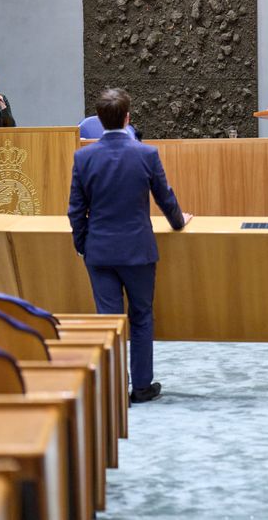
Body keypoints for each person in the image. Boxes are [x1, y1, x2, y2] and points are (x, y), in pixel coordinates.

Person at [67, 87, 192, 404]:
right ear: (127, 118)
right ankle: (142, 386)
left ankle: (112, 386)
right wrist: (179, 222)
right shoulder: (146, 154)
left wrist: (84, 246)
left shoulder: (83, 157)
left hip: (100, 252)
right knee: (141, 317)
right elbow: (165, 198)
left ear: (99, 120)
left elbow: (75, 210)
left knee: (108, 322)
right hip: (137, 250)